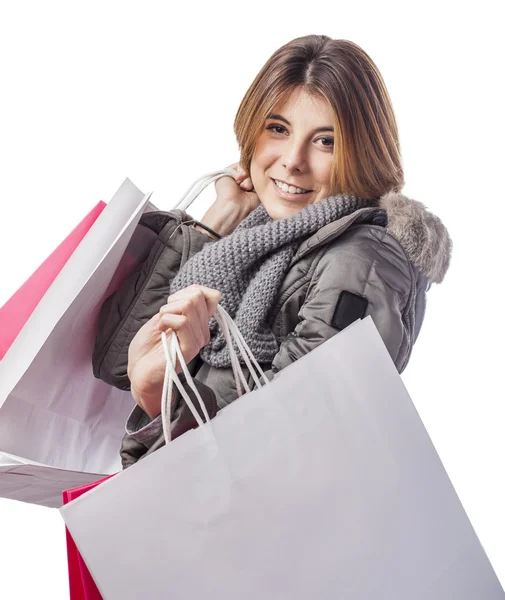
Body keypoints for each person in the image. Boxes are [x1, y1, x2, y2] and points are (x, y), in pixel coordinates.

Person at [92, 34, 452, 468]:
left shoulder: (359, 260)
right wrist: (219, 220)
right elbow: (116, 361)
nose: (293, 160)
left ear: (364, 153)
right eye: (278, 129)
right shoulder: (261, 237)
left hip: (256, 526)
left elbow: (280, 443)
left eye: (326, 141)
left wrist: (159, 399)